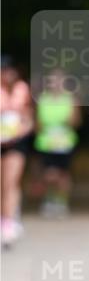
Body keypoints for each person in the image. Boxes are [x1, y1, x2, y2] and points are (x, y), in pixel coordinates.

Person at [34, 68, 81, 218]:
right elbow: (37, 123)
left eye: (59, 80)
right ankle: (49, 198)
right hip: (46, 143)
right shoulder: (42, 99)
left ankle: (61, 202)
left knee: (63, 174)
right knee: (48, 174)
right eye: (53, 80)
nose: (56, 83)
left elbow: (75, 122)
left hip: (65, 143)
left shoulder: (70, 99)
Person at [1, 56, 34, 246]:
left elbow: (28, 118)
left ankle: (8, 221)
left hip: (15, 142)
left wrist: (19, 133)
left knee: (10, 182)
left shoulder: (22, 89)